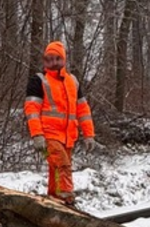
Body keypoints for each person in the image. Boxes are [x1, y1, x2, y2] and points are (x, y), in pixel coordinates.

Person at [24, 41, 97, 208]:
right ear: (44, 61)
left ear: (64, 59)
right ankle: (67, 201)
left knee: (55, 170)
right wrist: (37, 135)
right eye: (49, 59)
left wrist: (89, 134)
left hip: (67, 136)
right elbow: (31, 110)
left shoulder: (73, 82)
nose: (53, 62)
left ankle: (53, 201)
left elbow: (83, 110)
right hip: (48, 135)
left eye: (57, 58)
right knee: (63, 165)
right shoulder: (39, 80)